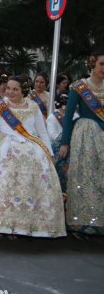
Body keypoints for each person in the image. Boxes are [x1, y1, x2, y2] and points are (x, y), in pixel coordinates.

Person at [0, 76, 65, 238]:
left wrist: (49, 153)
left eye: (15, 89)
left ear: (24, 90)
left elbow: (42, 132)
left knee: (26, 191)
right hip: (2, 153)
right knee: (0, 189)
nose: (10, 92)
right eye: (8, 88)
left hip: (30, 155)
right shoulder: (0, 106)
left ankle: (20, 226)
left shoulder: (33, 107)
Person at [59, 51, 104, 236]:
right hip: (84, 136)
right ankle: (80, 223)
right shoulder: (79, 87)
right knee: (83, 178)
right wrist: (65, 142)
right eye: (102, 64)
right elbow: (68, 115)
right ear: (92, 64)